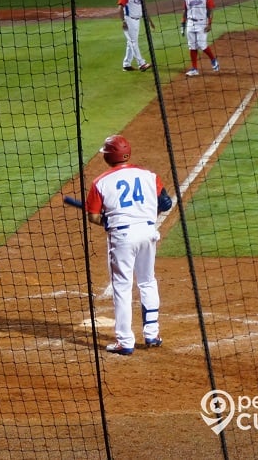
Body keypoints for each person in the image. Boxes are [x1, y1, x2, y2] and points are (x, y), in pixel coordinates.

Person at [85, 135, 172, 355]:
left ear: (107, 156)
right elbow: (166, 203)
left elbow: (93, 217)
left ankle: (125, 342)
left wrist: (107, 220)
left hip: (122, 236)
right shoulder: (149, 176)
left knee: (122, 288)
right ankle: (152, 334)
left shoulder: (100, 182)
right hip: (147, 232)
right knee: (148, 281)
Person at [181, 0, 219, 77]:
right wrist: (183, 23)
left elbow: (210, 10)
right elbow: (185, 10)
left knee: (202, 45)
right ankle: (194, 69)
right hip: (190, 23)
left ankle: (213, 60)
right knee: (192, 46)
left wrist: (209, 24)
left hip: (201, 23)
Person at [118, 0, 155, 72]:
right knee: (133, 42)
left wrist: (150, 22)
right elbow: (120, 8)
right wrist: (123, 21)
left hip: (137, 20)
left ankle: (126, 64)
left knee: (130, 42)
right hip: (129, 20)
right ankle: (141, 64)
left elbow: (143, 8)